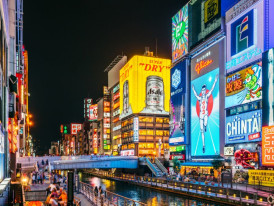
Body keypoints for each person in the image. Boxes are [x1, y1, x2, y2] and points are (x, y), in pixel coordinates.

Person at [192, 73, 218, 153]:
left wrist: (215, 81)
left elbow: (212, 89)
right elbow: (196, 95)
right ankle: (203, 145)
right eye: (202, 90)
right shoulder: (200, 98)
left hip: (205, 113)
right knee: (201, 130)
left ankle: (206, 125)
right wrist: (193, 89)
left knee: (205, 123)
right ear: (201, 91)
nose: (203, 91)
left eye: (204, 90)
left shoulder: (207, 96)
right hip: (201, 115)